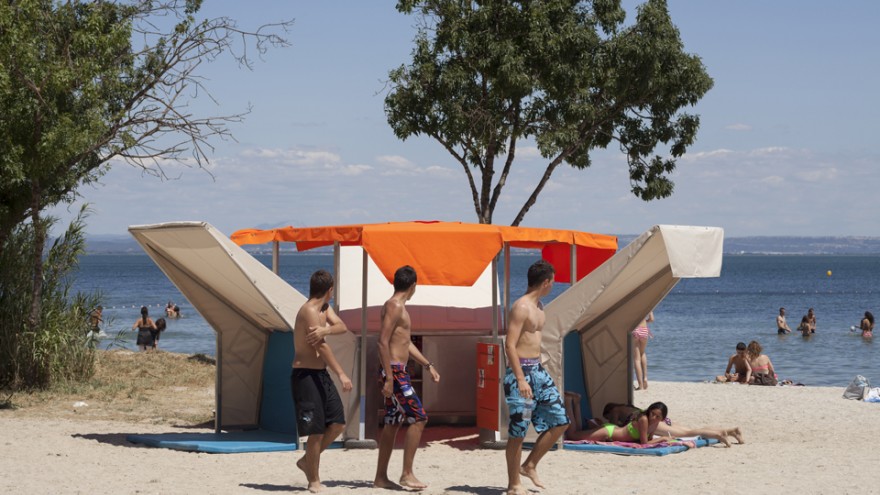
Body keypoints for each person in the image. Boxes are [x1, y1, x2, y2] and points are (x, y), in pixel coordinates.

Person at [503, 260, 569, 495]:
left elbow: (533, 342)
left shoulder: (540, 306)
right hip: (519, 373)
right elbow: (509, 345)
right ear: (546, 282)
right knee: (518, 431)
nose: (553, 285)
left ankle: (529, 465)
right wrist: (520, 379)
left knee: (560, 420)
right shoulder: (521, 307)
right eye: (552, 281)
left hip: (538, 372)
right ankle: (513, 484)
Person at [374, 266, 440, 491]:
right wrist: (390, 379)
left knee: (392, 423)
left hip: (397, 371)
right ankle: (407, 474)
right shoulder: (394, 306)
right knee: (419, 418)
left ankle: (380, 478)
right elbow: (382, 342)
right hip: (395, 372)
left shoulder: (399, 307)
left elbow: (405, 342)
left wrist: (427, 365)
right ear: (413, 286)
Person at [291, 270, 353, 493]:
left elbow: (342, 327)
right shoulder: (308, 311)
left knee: (337, 424)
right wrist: (342, 374)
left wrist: (326, 329)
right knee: (315, 431)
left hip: (320, 375)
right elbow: (321, 346)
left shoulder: (325, 308)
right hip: (305, 375)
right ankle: (313, 479)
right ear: (330, 291)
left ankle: (307, 460)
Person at [567, 402, 674, 444]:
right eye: (652, 413)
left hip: (614, 430)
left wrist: (660, 440)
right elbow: (644, 443)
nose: (653, 417)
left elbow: (649, 440)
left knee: (579, 433)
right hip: (609, 432)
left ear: (662, 418)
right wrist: (662, 438)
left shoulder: (655, 423)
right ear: (649, 411)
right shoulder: (644, 419)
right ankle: (568, 402)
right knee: (572, 435)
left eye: (657, 416)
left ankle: (576, 402)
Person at [632, 311, 654, 391]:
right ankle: (645, 377)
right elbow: (652, 319)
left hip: (635, 330)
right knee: (642, 353)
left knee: (637, 359)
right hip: (644, 330)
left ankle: (640, 386)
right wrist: (645, 321)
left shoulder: (632, 304)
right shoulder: (648, 304)